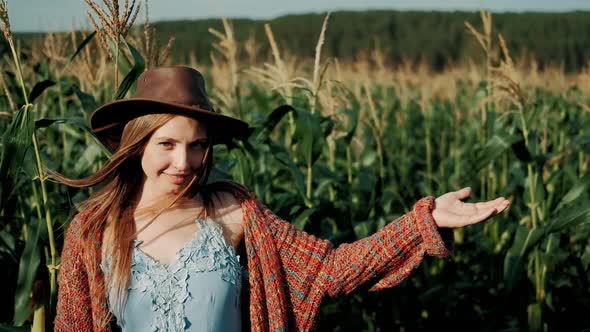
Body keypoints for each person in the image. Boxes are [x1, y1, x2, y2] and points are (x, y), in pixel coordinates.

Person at [53, 66, 510, 332]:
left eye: (197, 145)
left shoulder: (234, 213)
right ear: (138, 146)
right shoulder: (94, 231)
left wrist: (424, 221)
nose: (185, 162)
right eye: (167, 145)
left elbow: (328, 271)